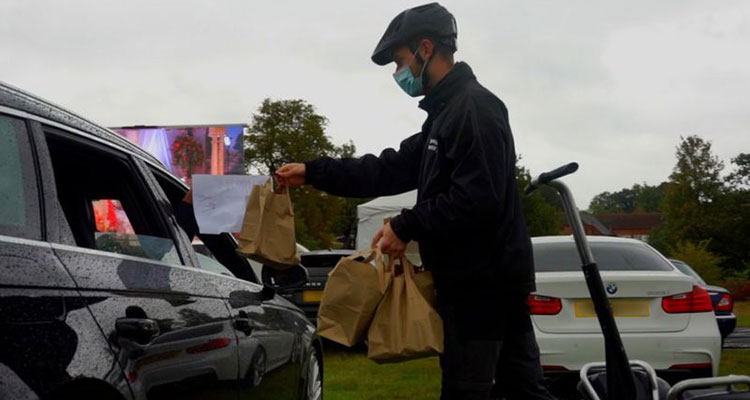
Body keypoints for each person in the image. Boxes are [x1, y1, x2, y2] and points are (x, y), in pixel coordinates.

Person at [277, 3, 555, 399]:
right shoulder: (444, 116)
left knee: (473, 391)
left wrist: (407, 224)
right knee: (522, 391)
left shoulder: (474, 108)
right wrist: (314, 171)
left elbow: (479, 197)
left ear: (426, 49)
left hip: (483, 289)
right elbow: (387, 169)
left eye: (399, 60)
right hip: (477, 285)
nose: (398, 73)